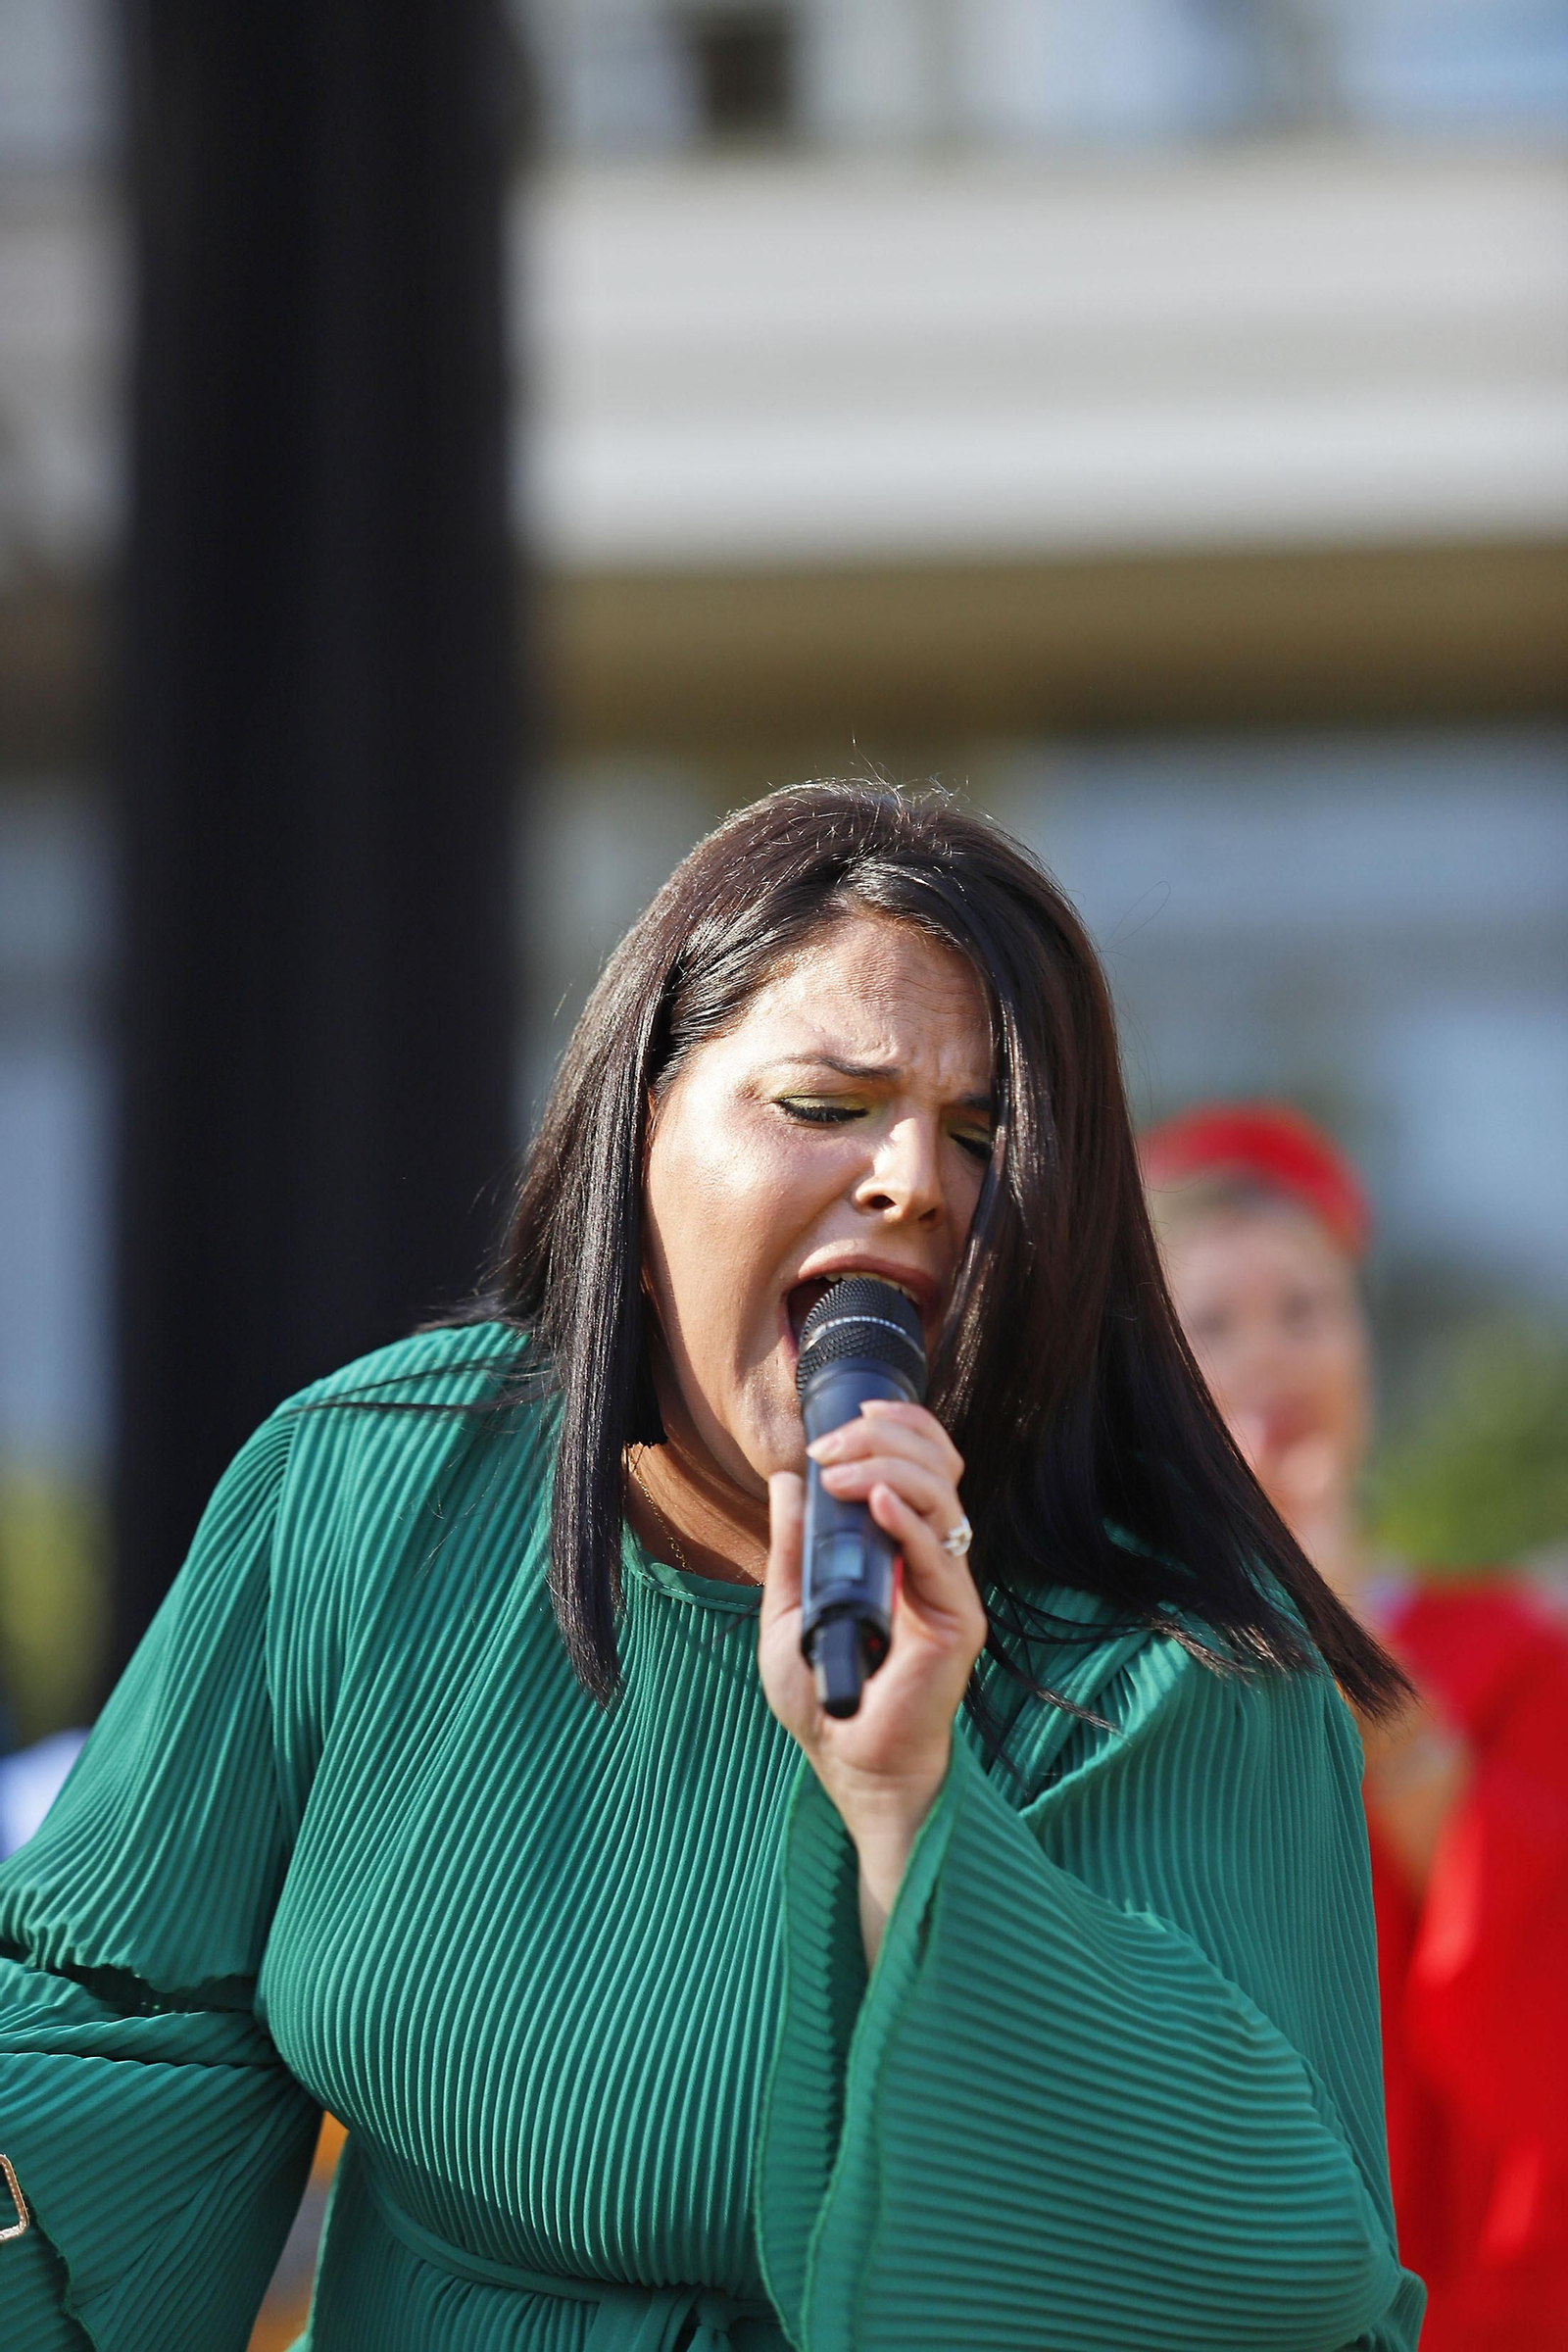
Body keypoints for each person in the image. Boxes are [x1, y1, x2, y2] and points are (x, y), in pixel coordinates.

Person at [0, 785, 1423, 2352]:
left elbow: (1261, 2268)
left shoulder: (1188, 1665)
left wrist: (910, 1817)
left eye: (984, 1137)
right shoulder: (371, 1491)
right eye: (826, 1106)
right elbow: (113, 2050)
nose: (911, 1181)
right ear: (640, 1119)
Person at [1144, 1100, 1568, 2352]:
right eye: (1212, 1326)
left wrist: (1370, 1687)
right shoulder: (1100, 1665)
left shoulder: (1508, 1654)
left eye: (1305, 1309)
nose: (1269, 1356)